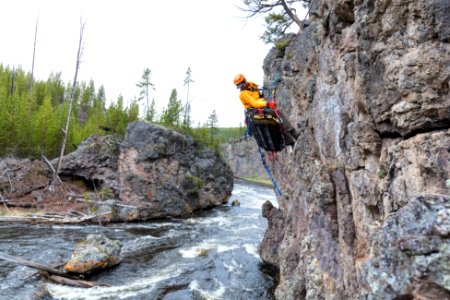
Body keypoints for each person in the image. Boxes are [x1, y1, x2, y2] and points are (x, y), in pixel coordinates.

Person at [233, 73, 298, 146]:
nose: (241, 87)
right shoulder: (242, 94)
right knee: (277, 114)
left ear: (245, 81)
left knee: (277, 119)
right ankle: (292, 136)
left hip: (261, 108)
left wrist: (265, 102)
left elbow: (259, 97)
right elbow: (254, 103)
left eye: (242, 84)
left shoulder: (252, 85)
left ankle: (291, 138)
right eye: (239, 86)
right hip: (254, 112)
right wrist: (267, 103)